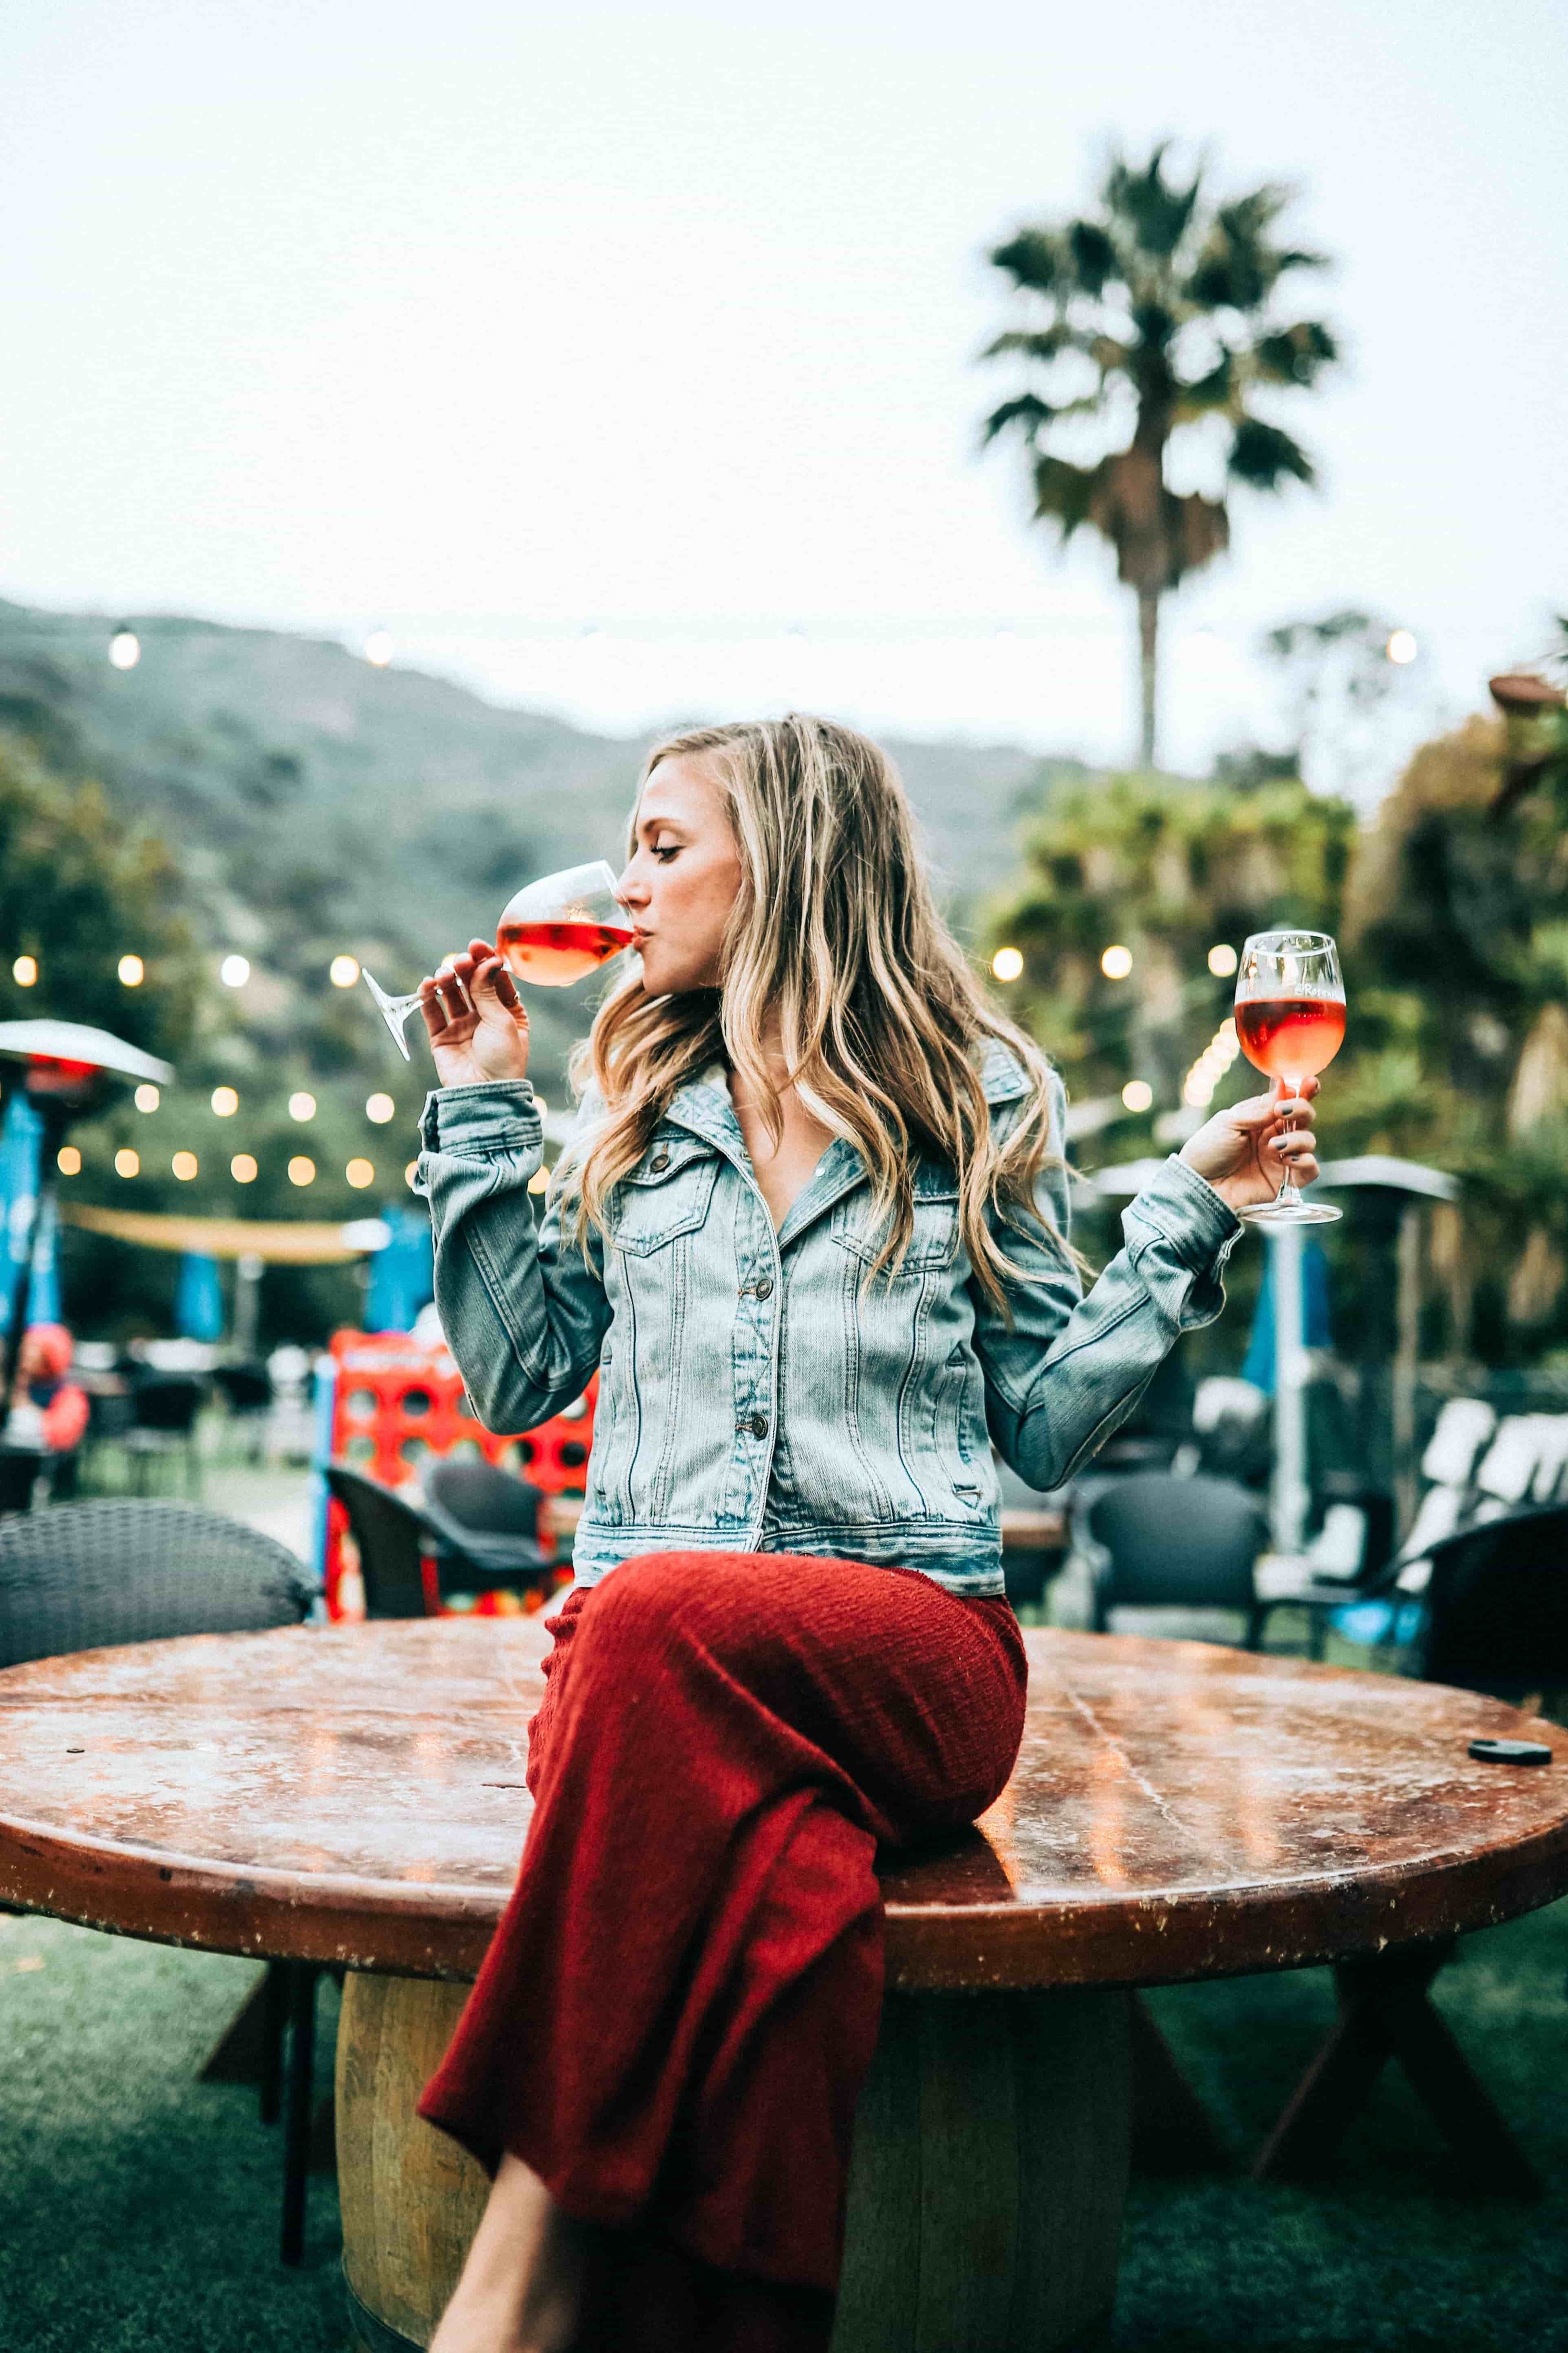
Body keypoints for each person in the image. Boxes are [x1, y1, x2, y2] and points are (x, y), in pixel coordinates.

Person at [410, 716, 1320, 2353]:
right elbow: (517, 1378)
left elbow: (1041, 1421)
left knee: (642, 1619)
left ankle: (513, 2287)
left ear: (790, 860)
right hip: (652, 1685)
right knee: (777, 1895)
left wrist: (1185, 1208)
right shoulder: (628, 1102)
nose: (626, 880)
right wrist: (482, 1109)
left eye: (664, 845)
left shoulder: (972, 1097)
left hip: (911, 1650)